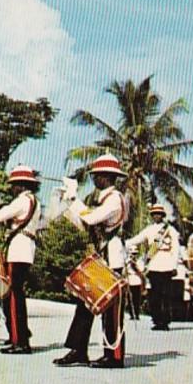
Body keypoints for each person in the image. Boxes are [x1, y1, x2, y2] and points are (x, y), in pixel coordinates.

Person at [53, 154, 128, 368]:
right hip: (100, 255)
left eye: (97, 175)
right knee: (85, 301)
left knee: (111, 309)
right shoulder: (103, 198)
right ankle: (78, 349)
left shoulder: (114, 198)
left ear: (107, 177)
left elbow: (91, 218)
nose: (94, 179)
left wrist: (74, 198)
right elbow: (84, 223)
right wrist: (68, 201)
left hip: (112, 256)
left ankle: (114, 356)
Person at [0, 165, 41, 354]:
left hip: (18, 250)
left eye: (14, 185)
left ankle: (20, 341)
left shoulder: (23, 200)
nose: (12, 188)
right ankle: (19, 334)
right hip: (24, 249)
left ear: (21, 185)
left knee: (14, 295)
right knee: (14, 294)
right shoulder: (33, 200)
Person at [125, 204, 179, 331]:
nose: (156, 216)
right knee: (154, 295)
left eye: (159, 213)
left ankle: (165, 321)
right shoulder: (149, 230)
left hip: (166, 263)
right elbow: (137, 239)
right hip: (153, 264)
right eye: (154, 213)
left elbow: (175, 249)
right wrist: (125, 242)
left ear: (162, 215)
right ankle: (156, 319)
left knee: (165, 295)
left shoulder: (170, 230)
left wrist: (174, 264)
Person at [124, 245, 145, 321]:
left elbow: (141, 270)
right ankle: (131, 314)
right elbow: (124, 271)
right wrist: (127, 264)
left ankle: (137, 313)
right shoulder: (127, 261)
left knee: (137, 298)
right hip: (130, 280)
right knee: (130, 298)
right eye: (132, 253)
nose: (134, 255)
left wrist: (135, 265)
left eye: (135, 253)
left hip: (137, 280)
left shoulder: (139, 261)